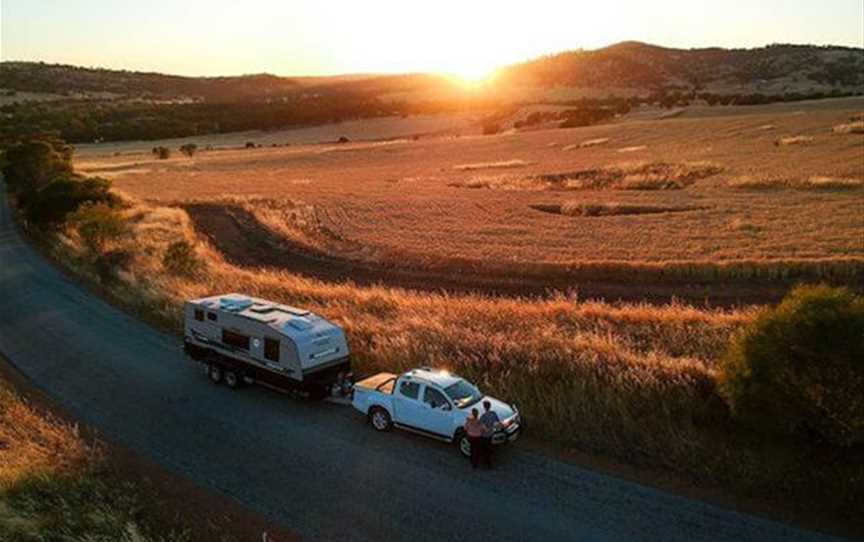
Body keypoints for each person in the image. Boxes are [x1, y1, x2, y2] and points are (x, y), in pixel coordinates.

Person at [479, 400, 501, 468]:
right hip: (491, 433)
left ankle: (487, 463)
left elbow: (482, 426)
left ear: (484, 407)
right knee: (489, 445)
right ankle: (489, 458)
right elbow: (497, 422)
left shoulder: (483, 416)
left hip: (484, 435)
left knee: (484, 449)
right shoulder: (493, 413)